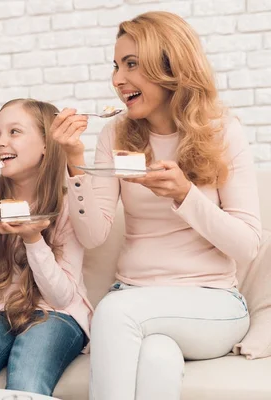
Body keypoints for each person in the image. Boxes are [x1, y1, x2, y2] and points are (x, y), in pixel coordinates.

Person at [52, 11, 262, 400]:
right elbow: (94, 235)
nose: (118, 79)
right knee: (158, 358)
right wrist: (73, 161)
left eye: (131, 64)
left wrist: (185, 195)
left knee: (114, 312)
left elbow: (248, 245)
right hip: (137, 294)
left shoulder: (222, 131)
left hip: (213, 304)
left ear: (170, 67)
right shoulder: (114, 133)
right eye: (116, 66)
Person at [0, 98, 93, 396]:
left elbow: (61, 296)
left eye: (14, 132)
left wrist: (33, 239)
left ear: (46, 145)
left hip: (55, 312)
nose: (1, 142)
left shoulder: (67, 203)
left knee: (27, 382)